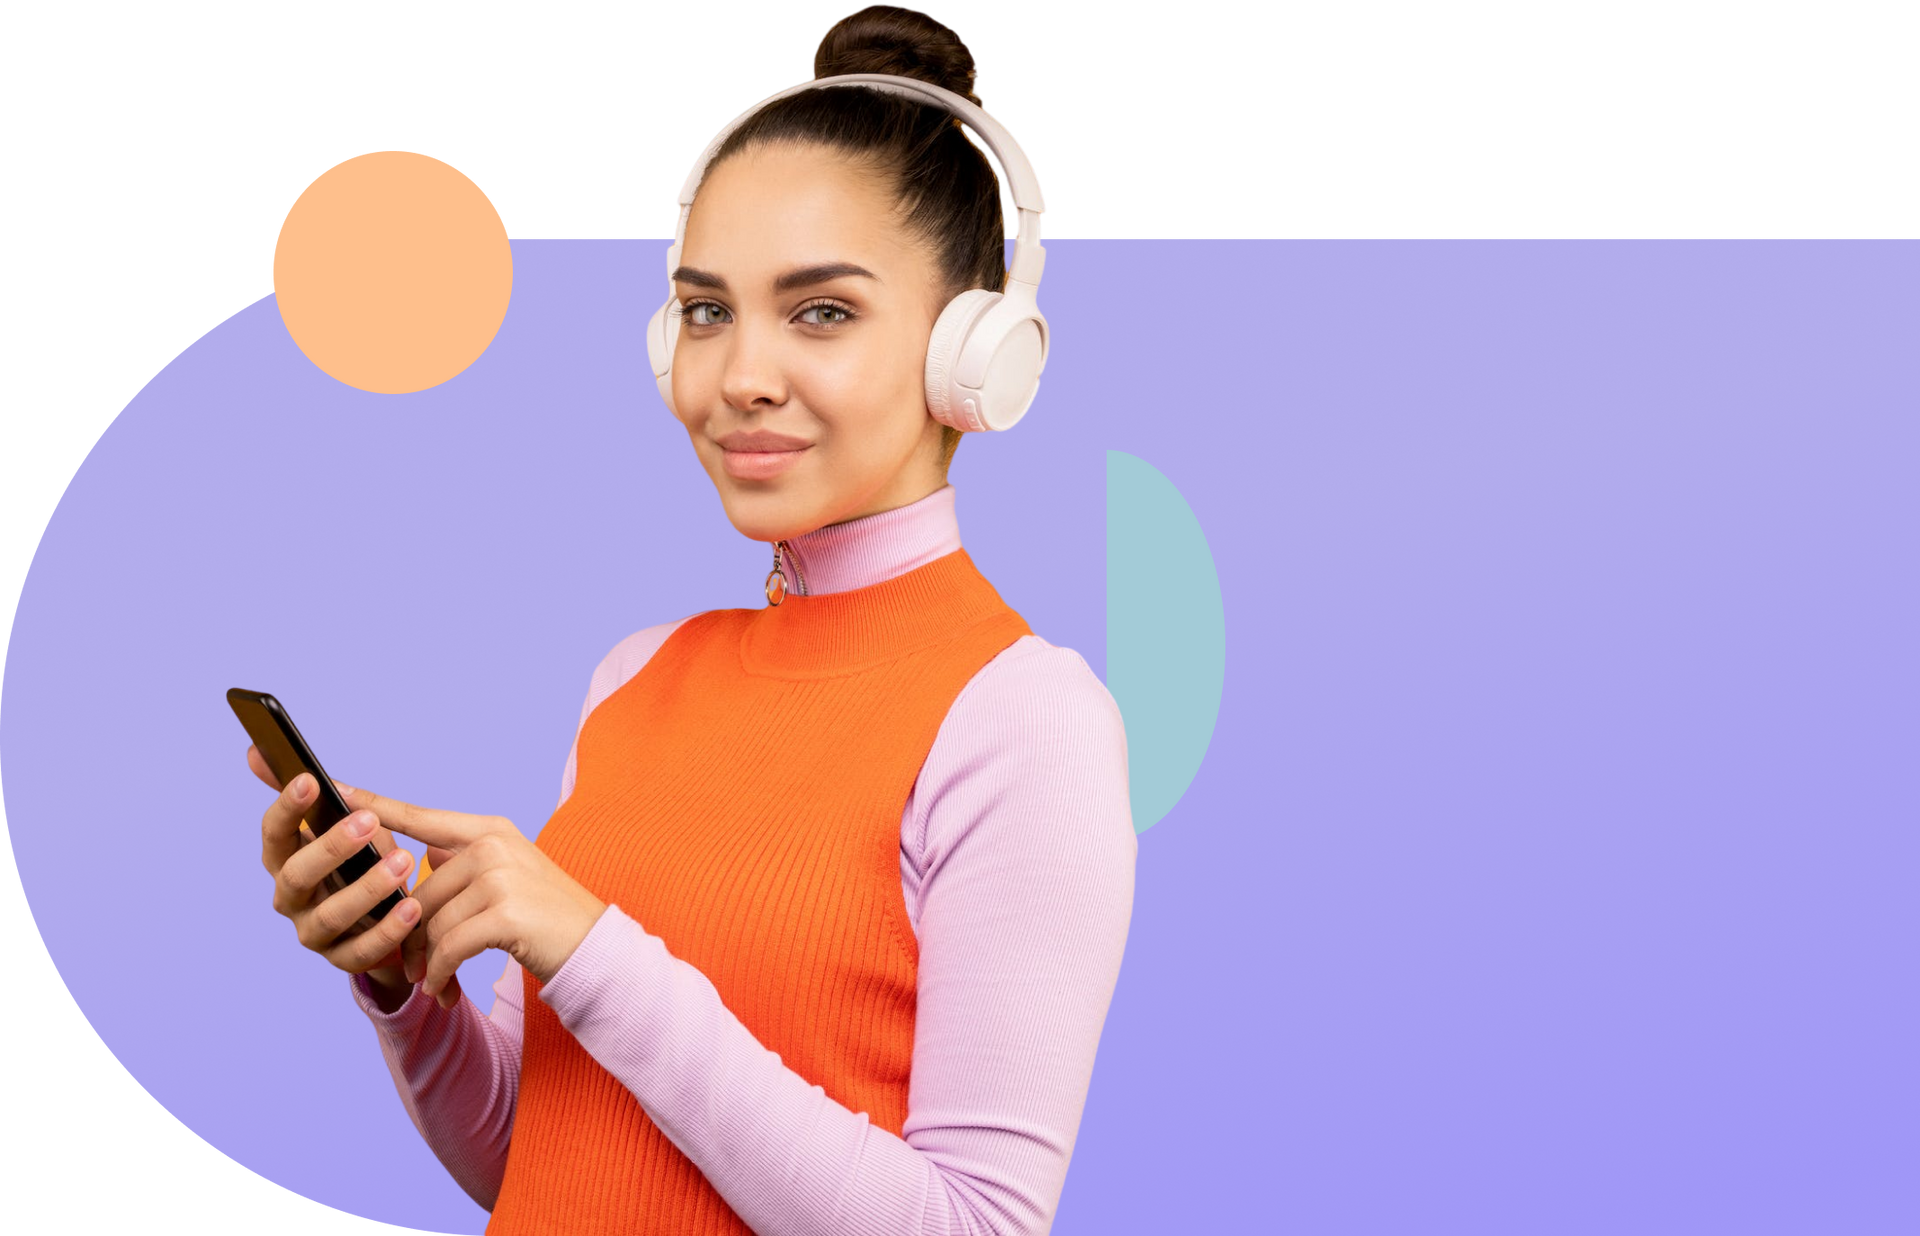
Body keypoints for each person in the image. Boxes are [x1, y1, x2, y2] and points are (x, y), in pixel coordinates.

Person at [249, 6, 1136, 1233]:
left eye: (821, 311)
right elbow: (538, 1163)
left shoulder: (1025, 716)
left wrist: (593, 950)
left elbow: (973, 1225)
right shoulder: (638, 675)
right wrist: (412, 995)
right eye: (708, 311)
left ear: (970, 353)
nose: (738, 378)